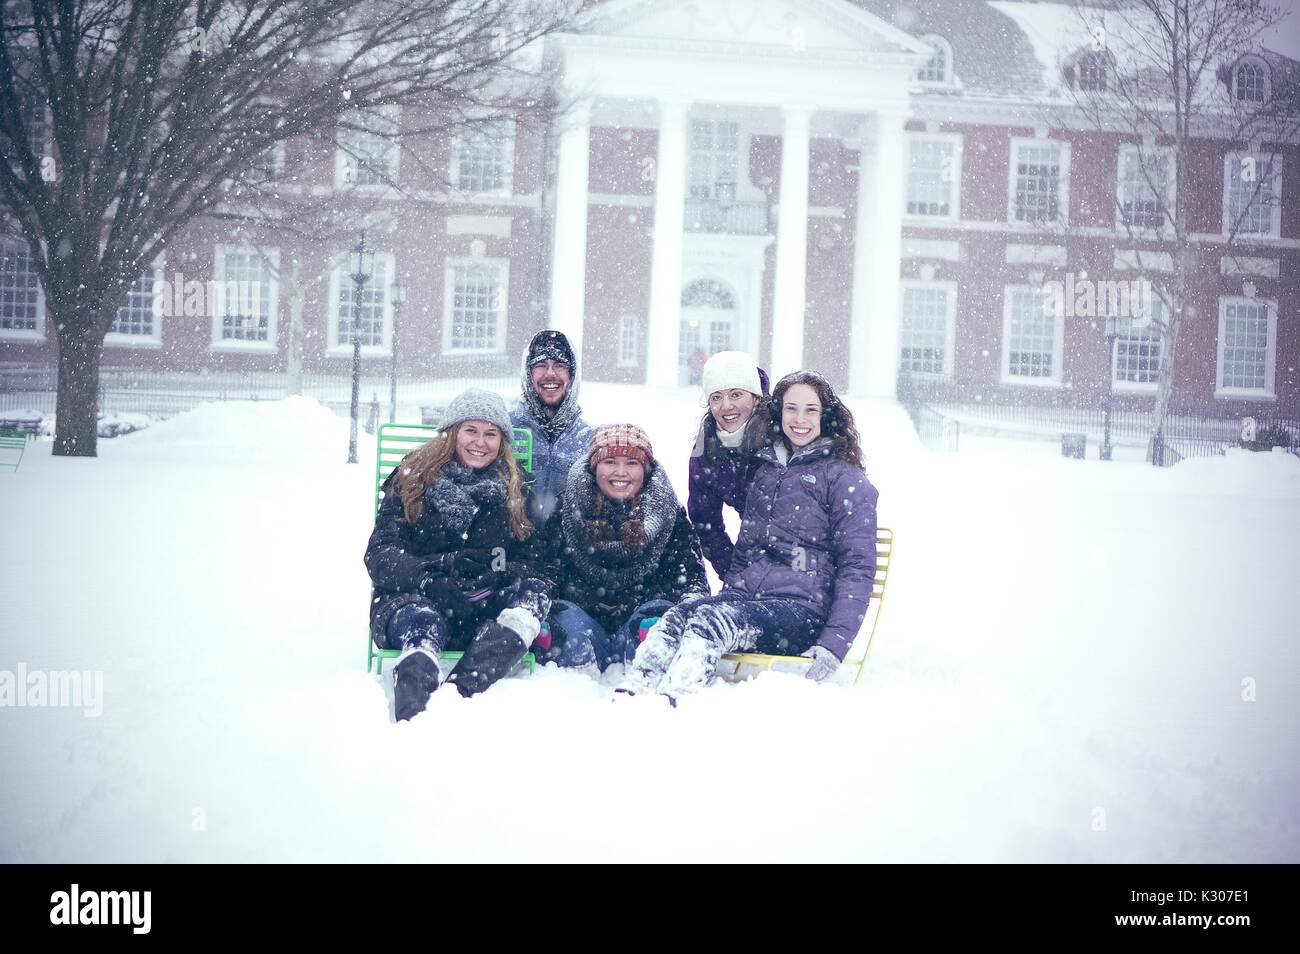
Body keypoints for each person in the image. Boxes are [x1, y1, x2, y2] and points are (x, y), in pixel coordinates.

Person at [624, 371, 879, 699]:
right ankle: (632, 693)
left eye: (810, 410)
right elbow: (747, 545)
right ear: (779, 412)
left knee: (711, 620)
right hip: (746, 600)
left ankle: (676, 699)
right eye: (791, 409)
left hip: (801, 611)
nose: (799, 419)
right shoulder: (766, 470)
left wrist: (834, 644)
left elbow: (857, 567)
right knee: (677, 616)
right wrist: (734, 586)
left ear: (826, 414)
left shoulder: (845, 479)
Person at [365, 388, 552, 721]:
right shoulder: (412, 479)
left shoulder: (516, 487)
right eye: (471, 430)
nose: (480, 442)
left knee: (534, 596)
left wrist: (499, 572)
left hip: (484, 611)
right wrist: (431, 573)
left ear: (502, 442)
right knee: (424, 625)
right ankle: (414, 712)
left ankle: (460, 693)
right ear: (452, 433)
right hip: (413, 601)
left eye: (490, 433)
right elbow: (380, 555)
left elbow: (535, 561)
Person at [529, 424, 709, 673]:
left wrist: (682, 612)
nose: (621, 472)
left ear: (645, 469)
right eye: (610, 461)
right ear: (594, 467)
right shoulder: (568, 507)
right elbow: (544, 568)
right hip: (581, 616)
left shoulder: (667, 510)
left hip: (643, 616)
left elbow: (692, 579)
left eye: (632, 463)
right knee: (565, 623)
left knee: (657, 625)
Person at [687, 350, 771, 578]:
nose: (726, 406)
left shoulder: (781, 435)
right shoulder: (707, 447)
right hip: (753, 564)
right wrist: (734, 572)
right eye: (716, 397)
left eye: (736, 394)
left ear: (755, 397)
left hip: (801, 560)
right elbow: (705, 522)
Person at [510, 329, 595, 526]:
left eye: (559, 365)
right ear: (528, 373)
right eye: (540, 365)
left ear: (572, 375)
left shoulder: (591, 440)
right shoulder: (501, 432)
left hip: (565, 552)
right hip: (512, 549)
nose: (550, 373)